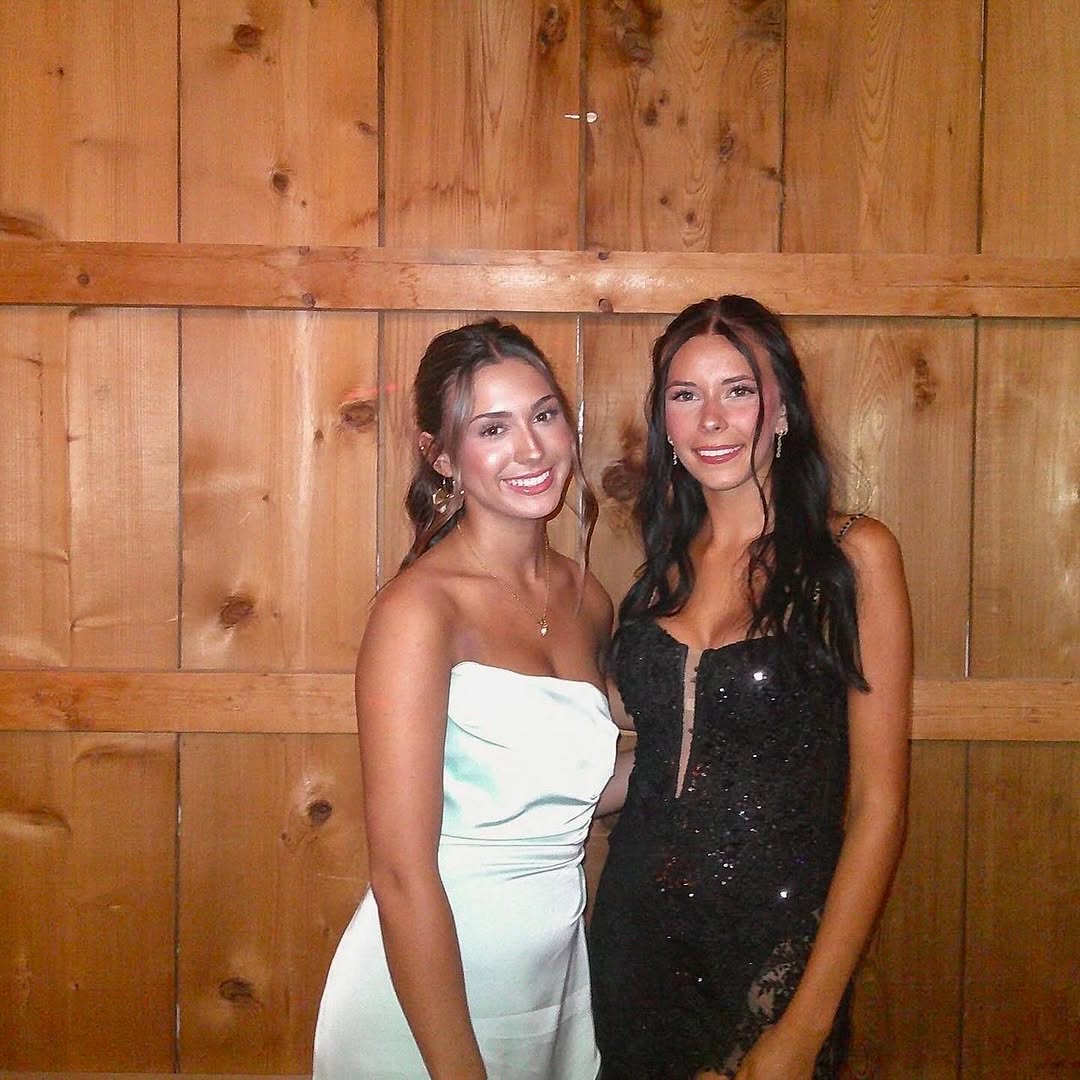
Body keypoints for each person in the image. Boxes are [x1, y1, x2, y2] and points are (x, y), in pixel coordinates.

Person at [588, 296, 912, 1079]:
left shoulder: (852, 557)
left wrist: (806, 1024)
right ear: (665, 423)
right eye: (685, 394)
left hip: (775, 950)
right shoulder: (660, 572)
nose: (711, 419)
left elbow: (879, 806)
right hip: (632, 940)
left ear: (783, 410)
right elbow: (663, 760)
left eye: (737, 390)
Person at [312, 319, 617, 1079]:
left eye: (544, 415)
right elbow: (401, 874)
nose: (531, 449)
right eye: (493, 428)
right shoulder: (420, 611)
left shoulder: (588, 599)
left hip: (552, 985)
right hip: (428, 1002)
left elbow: (576, 786)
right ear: (442, 456)